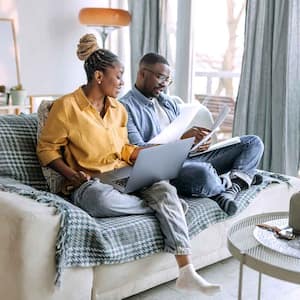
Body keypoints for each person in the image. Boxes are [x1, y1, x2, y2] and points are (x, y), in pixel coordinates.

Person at [37, 34, 221, 296]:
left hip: (124, 172)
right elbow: (46, 148)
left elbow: (123, 148)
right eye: (119, 75)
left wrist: (147, 157)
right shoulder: (66, 107)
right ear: (99, 76)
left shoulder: (117, 110)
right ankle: (164, 209)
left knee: (164, 188)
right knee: (100, 201)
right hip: (91, 182)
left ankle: (186, 271)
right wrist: (71, 175)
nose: (123, 81)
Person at [120, 53, 264, 216]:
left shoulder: (168, 103)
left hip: (188, 158)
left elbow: (180, 139)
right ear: (142, 73)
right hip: (163, 170)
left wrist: (196, 144)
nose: (164, 85)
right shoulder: (125, 108)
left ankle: (231, 188)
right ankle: (241, 179)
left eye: (167, 80)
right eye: (160, 77)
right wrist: (182, 141)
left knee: (253, 143)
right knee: (203, 173)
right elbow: (139, 153)